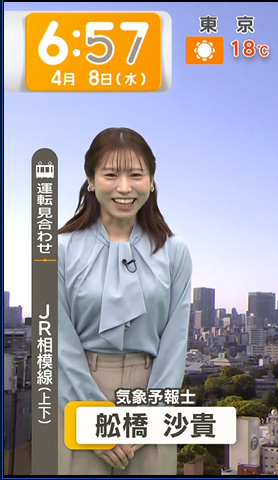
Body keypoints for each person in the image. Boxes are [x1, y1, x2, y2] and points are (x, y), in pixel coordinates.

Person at [57, 127, 191, 475]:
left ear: (151, 182)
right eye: (110, 175)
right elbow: (57, 338)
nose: (124, 187)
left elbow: (175, 341)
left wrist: (151, 416)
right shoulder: (60, 250)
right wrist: (89, 415)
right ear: (90, 181)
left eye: (135, 175)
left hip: (151, 392)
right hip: (78, 388)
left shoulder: (174, 252)